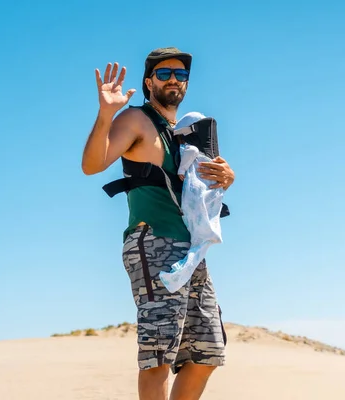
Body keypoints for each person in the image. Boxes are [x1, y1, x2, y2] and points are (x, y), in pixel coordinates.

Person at [81, 47, 235, 400]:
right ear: (149, 81)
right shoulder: (135, 119)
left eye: (180, 75)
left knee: (208, 350)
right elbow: (92, 165)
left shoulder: (184, 132)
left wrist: (227, 176)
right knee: (158, 354)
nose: (173, 81)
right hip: (152, 243)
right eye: (164, 74)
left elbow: (200, 188)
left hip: (190, 251)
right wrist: (106, 114)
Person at [159, 112, 225, 294]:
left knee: (199, 235)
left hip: (199, 188)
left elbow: (192, 151)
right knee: (200, 240)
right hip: (211, 188)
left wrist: (181, 169)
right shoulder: (204, 151)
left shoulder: (189, 147)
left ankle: (176, 276)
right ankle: (178, 273)